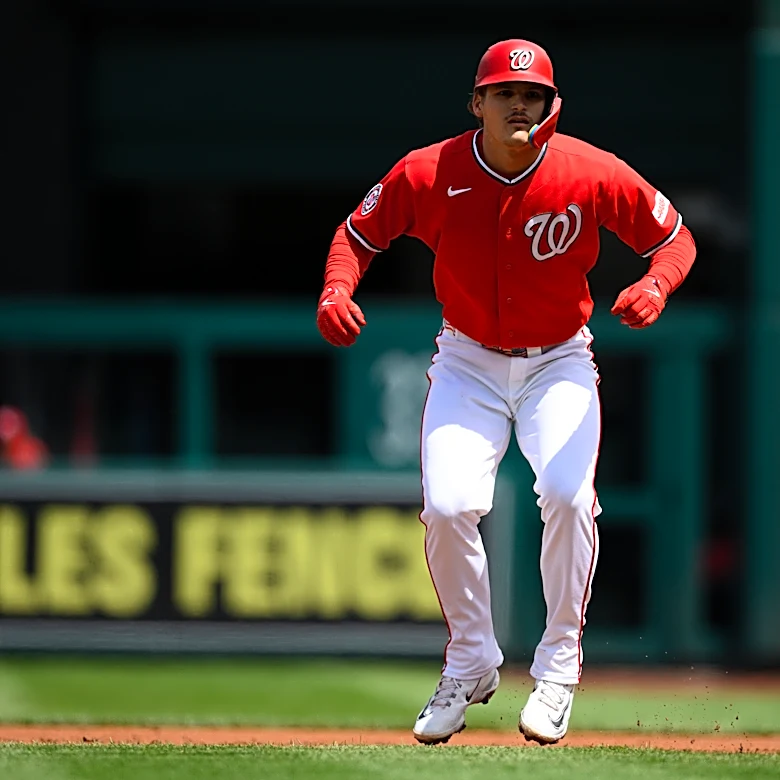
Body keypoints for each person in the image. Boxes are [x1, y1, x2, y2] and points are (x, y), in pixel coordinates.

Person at [316, 38, 696, 745]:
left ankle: (557, 668)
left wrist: (656, 283)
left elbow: (674, 240)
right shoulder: (430, 170)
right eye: (506, 93)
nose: (521, 105)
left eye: (534, 96)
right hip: (468, 358)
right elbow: (357, 232)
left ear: (551, 105)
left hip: (559, 359)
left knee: (568, 494)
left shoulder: (590, 171)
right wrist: (337, 287)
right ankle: (470, 660)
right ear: (477, 102)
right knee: (449, 505)